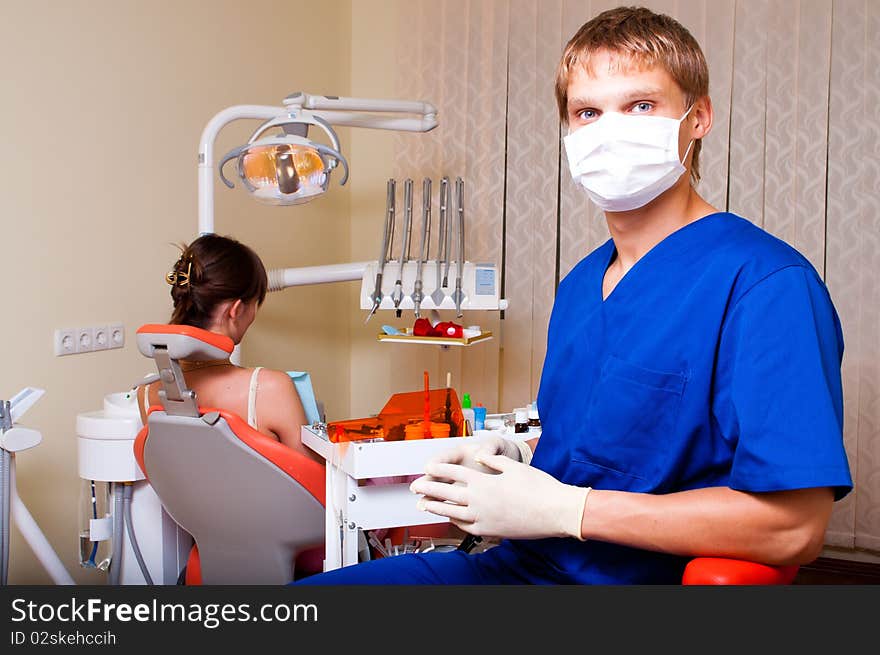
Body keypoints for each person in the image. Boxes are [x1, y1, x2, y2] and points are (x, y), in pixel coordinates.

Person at [295, 5, 853, 585]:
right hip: (518, 567)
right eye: (588, 111)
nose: (610, 130)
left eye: (640, 105)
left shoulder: (765, 285)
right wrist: (511, 467)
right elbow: (610, 449)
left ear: (699, 118)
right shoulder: (583, 284)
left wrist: (567, 510)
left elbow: (795, 528)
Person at [138, 233, 321, 464]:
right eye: (256, 304)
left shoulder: (148, 395)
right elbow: (316, 485)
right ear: (235, 310)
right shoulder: (270, 389)